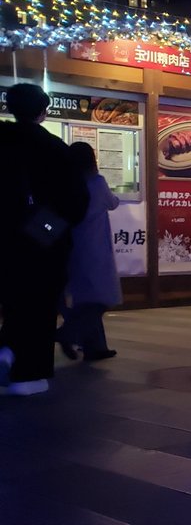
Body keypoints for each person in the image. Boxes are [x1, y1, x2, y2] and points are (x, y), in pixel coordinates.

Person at [0, 84, 90, 396]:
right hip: (39, 240)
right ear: (43, 111)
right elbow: (74, 202)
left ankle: (7, 347)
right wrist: (44, 232)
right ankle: (27, 375)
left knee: (10, 300)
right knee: (38, 303)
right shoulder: (52, 147)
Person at [57, 142, 121, 362]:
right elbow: (112, 203)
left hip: (72, 246)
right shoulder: (97, 181)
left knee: (85, 297)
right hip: (94, 247)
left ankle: (95, 348)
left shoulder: (65, 184)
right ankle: (68, 333)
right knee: (101, 299)